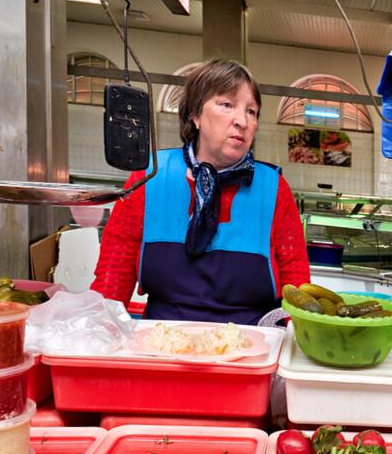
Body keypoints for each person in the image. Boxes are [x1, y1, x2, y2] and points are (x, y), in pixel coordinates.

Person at [91, 58, 310, 325]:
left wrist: (298, 336)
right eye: (226, 105)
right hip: (163, 338)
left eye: (252, 111)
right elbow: (114, 274)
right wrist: (99, 332)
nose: (242, 121)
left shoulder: (274, 189)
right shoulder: (150, 178)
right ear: (195, 115)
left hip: (255, 340)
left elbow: (296, 281)